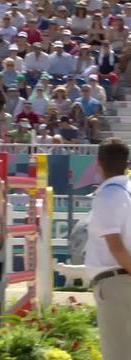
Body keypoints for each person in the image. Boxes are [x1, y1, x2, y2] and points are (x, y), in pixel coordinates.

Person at [85, 138, 131, 360]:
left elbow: (115, 244)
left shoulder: (108, 194)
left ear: (99, 164)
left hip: (116, 280)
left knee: (117, 354)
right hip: (123, 277)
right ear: (126, 163)